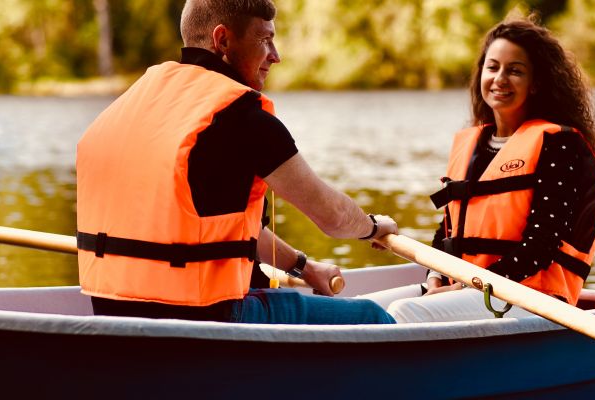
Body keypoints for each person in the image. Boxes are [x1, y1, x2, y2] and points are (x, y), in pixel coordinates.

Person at [75, 0, 397, 324]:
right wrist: (372, 227)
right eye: (264, 40)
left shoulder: (136, 106)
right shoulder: (243, 119)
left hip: (112, 311)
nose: (275, 55)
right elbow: (334, 216)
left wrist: (303, 267)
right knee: (373, 317)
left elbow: (228, 232)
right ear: (223, 40)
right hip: (208, 318)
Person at [364, 16, 595, 323]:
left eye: (515, 71)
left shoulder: (560, 144)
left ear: (536, 83)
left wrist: (468, 286)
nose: (500, 78)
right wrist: (435, 279)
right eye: (493, 67)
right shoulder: (472, 144)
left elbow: (541, 247)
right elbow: (448, 232)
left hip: (528, 295)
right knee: (368, 309)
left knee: (405, 312)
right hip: (470, 288)